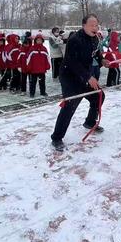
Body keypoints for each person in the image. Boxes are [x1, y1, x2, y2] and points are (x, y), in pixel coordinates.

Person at [51, 14, 109, 151]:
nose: (95, 28)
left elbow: (95, 53)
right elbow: (72, 61)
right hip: (70, 76)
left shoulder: (95, 38)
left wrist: (102, 60)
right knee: (70, 105)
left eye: (96, 25)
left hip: (85, 75)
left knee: (98, 96)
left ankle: (89, 122)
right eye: (92, 25)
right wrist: (88, 77)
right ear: (84, 26)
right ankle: (56, 138)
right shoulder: (75, 40)